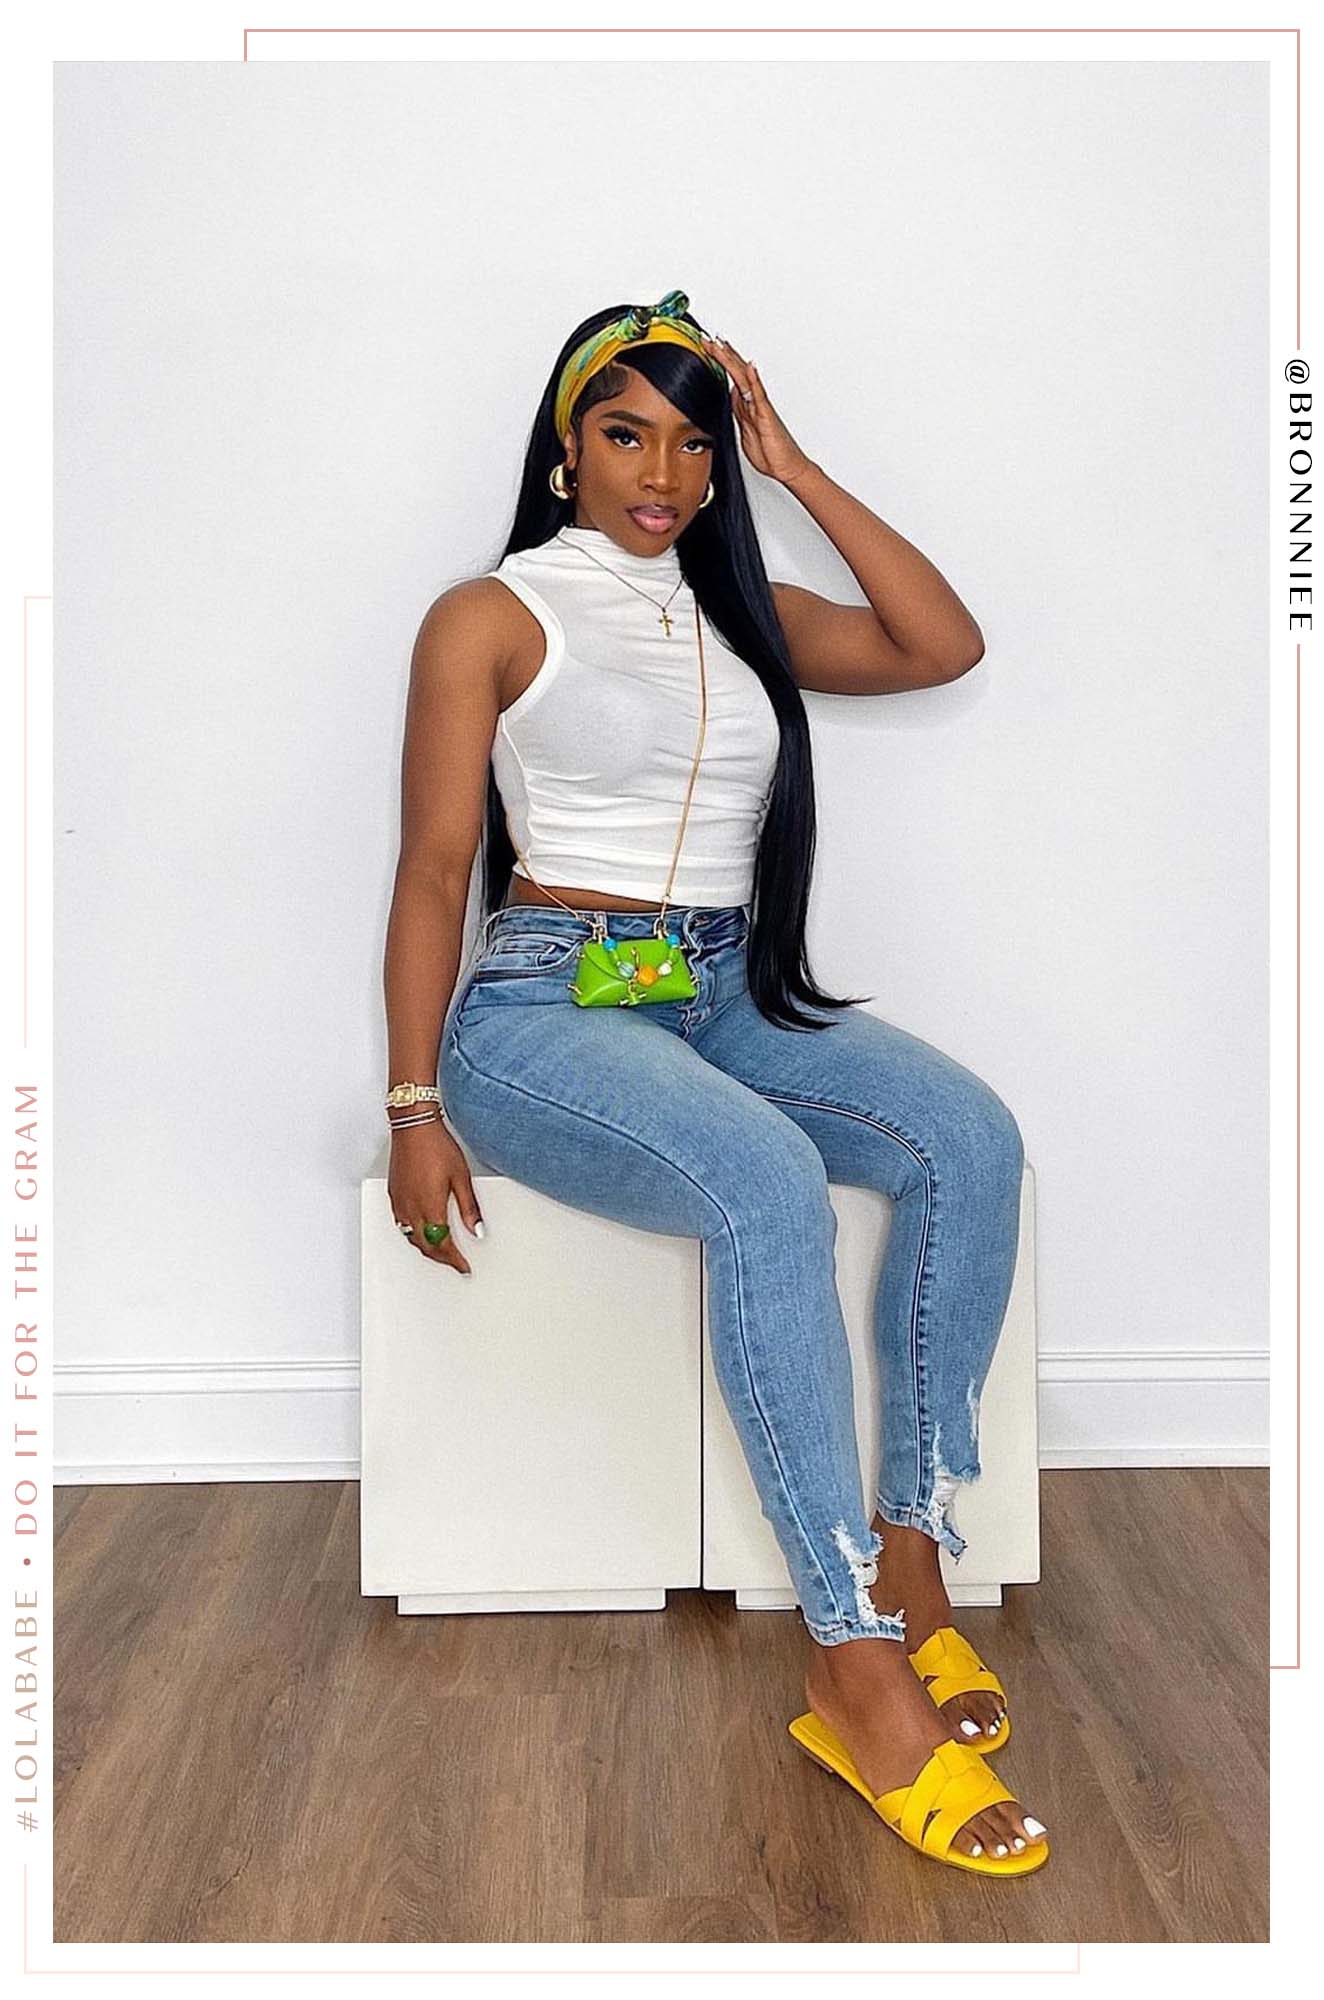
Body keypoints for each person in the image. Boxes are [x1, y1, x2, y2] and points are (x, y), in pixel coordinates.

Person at [381, 290, 1050, 1876]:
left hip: (720, 988)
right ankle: (849, 1657)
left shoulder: (743, 613)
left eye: (693, 444)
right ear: (566, 450)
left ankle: (911, 1553)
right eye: (626, 434)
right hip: (549, 1005)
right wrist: (414, 1109)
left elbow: (941, 644)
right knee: (766, 1180)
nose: (661, 472)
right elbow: (431, 871)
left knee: (965, 1136)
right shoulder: (491, 615)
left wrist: (793, 468)